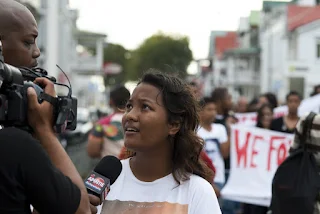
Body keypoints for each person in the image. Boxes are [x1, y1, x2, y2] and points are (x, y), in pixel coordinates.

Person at [0, 1, 90, 213]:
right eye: (28, 42)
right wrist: (44, 130)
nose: (37, 52)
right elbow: (81, 209)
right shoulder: (15, 146)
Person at [93, 69, 221, 214]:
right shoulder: (106, 181)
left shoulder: (197, 191)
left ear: (173, 125)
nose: (130, 115)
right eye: (129, 106)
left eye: (145, 107)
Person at [87, 85, 130, 159]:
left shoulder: (102, 124)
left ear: (111, 101)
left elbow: (92, 151)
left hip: (111, 168)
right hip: (136, 169)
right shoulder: (138, 122)